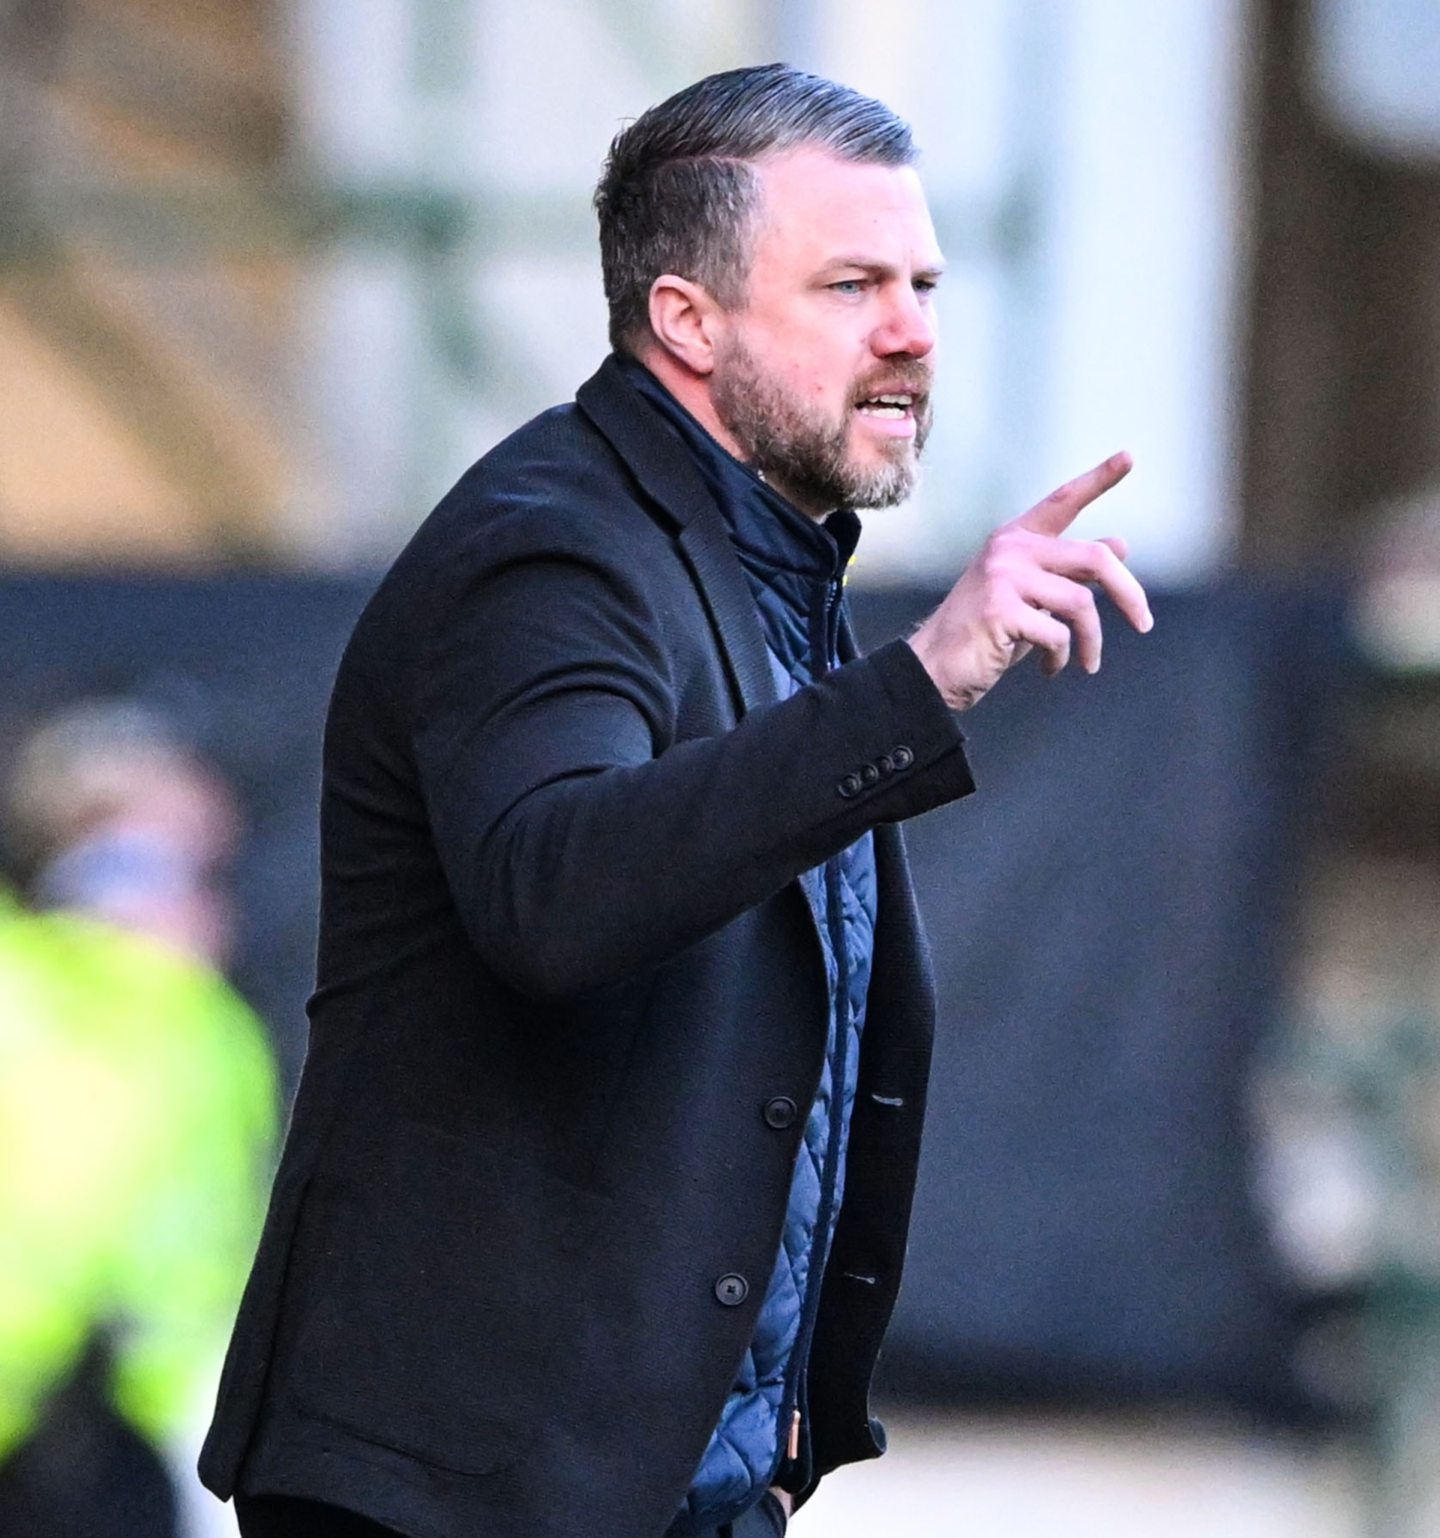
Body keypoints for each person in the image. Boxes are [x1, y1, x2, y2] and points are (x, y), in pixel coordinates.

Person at [199, 63, 1152, 1538]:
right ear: (686, 321)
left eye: (921, 280)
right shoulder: (551, 549)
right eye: (850, 285)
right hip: (457, 1502)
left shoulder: (765, 561)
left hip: (663, 1492)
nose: (911, 331)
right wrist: (923, 683)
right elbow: (558, 892)